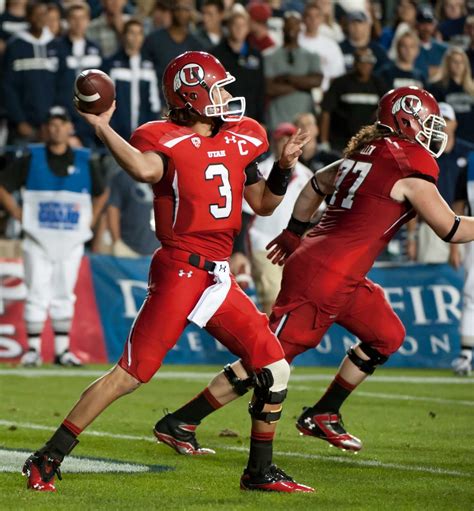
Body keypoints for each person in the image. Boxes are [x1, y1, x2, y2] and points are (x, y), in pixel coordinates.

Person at [21, 51, 313, 494]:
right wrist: (101, 126)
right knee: (131, 374)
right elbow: (142, 168)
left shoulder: (241, 136)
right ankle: (48, 455)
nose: (226, 96)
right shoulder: (161, 138)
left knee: (274, 367)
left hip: (216, 274)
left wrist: (285, 168)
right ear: (192, 96)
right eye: (216, 88)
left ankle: (259, 471)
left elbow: (264, 204)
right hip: (181, 268)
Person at [152, 86, 474, 455]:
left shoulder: (365, 152)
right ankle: (181, 421)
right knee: (267, 358)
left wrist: (294, 232)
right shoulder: (409, 164)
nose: (435, 131)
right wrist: (293, 233)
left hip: (336, 270)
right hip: (324, 276)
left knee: (387, 335)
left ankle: (324, 413)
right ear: (406, 120)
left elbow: (316, 184)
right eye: (429, 122)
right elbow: (450, 228)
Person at [0, 106, 107, 367]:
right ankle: (34, 350)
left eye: (62, 124)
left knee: (64, 293)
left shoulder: (84, 159)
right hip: (37, 238)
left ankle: (62, 350)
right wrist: (19, 214)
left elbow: (102, 192)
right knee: (37, 291)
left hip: (70, 240)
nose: (57, 128)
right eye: (52, 124)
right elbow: (3, 186)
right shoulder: (30, 157)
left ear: (70, 127)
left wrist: (89, 222)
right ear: (46, 129)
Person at [244, 122, 313, 315]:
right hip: (264, 242)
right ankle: (268, 342)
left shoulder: (306, 174)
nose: (285, 142)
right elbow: (245, 214)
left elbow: (317, 214)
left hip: (294, 245)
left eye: (289, 138)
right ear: (274, 142)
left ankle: (280, 343)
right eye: (282, 138)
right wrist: (239, 250)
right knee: (272, 299)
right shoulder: (260, 171)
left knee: (293, 301)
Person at [407, 102, 474, 263]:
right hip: (431, 227)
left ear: (455, 123)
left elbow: (461, 201)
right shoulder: (421, 155)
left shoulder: (470, 154)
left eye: (446, 119)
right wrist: (411, 237)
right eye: (438, 120)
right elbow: (412, 198)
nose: (442, 124)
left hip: (465, 226)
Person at [2, 2, 61, 142]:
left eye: (44, 15)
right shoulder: (15, 47)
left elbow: (64, 85)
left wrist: (55, 120)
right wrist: (19, 120)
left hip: (53, 127)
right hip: (21, 128)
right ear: (28, 17)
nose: (41, 19)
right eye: (37, 15)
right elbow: (7, 87)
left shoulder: (58, 47)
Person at [320, 47, 388, 153]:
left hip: (368, 142)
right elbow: (326, 111)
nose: (365, 65)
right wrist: (324, 142)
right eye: (362, 61)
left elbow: (386, 111)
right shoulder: (340, 83)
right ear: (355, 62)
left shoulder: (379, 84)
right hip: (340, 143)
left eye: (369, 61)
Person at [102, 19, 161, 141]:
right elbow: (106, 101)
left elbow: (154, 103)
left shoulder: (149, 66)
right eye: (131, 33)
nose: (135, 37)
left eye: (139, 33)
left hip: (144, 135)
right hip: (116, 133)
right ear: (124, 36)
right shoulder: (111, 64)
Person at [264, 11, 322, 131]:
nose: (291, 27)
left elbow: (317, 81)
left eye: (295, 24)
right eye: (288, 24)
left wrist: (287, 78)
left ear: (300, 27)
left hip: (305, 121)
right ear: (283, 28)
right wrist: (302, 84)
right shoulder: (269, 56)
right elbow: (269, 88)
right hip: (277, 121)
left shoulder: (311, 56)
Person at [211, 5, 265, 123]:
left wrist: (262, 120)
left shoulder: (256, 55)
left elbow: (260, 89)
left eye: (243, 25)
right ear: (229, 27)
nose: (239, 29)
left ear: (248, 28)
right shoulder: (215, 55)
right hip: (223, 115)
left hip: (251, 116)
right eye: (236, 25)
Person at [429, 46, 474, 144]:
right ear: (447, 64)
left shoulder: (472, 89)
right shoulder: (436, 87)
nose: (458, 65)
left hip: (471, 139)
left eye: (461, 62)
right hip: (448, 140)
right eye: (454, 61)